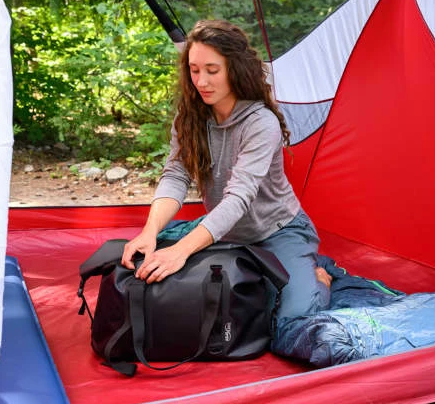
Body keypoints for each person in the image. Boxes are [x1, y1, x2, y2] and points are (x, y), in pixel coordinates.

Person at [121, 19, 331, 325]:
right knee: (157, 272)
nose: (201, 81)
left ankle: (319, 279)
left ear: (235, 69)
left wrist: (181, 251)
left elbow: (238, 197)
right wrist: (149, 231)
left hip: (277, 231)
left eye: (212, 70)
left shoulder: (261, 123)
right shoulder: (189, 116)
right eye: (194, 70)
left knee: (292, 318)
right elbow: (176, 175)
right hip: (224, 231)